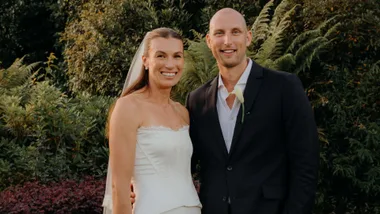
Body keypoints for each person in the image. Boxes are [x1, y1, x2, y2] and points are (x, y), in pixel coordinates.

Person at [184, 8, 319, 214]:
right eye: (219, 33)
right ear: (209, 41)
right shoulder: (197, 100)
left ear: (248, 38)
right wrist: (140, 184)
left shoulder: (284, 87)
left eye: (235, 32)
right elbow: (184, 161)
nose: (227, 41)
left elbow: (305, 165)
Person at [102, 27, 202, 214]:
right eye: (161, 56)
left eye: (177, 56)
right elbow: (119, 188)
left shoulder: (182, 112)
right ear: (145, 61)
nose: (170, 64)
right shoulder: (128, 107)